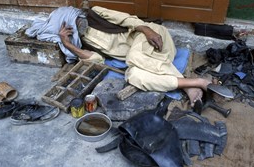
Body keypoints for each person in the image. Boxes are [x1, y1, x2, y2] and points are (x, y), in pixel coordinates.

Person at [57, 6, 211, 106]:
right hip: (154, 60)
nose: (78, 25)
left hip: (153, 38)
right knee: (134, 76)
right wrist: (69, 45)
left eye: (77, 20)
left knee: (133, 57)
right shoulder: (81, 44)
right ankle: (192, 84)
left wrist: (146, 30)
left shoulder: (95, 12)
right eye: (73, 26)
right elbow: (97, 60)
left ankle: (189, 86)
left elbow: (126, 19)